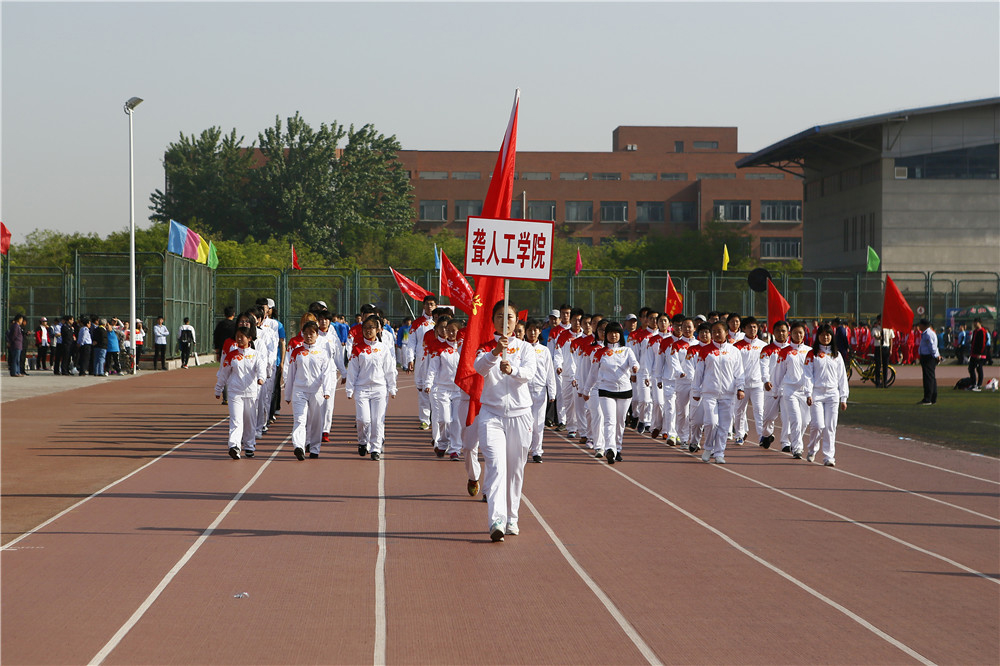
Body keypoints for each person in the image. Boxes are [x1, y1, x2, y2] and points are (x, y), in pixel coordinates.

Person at [474, 300, 537, 541]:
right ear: (493, 320)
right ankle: (496, 520)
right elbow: (479, 368)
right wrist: (494, 353)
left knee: (515, 469)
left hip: (520, 414)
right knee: (496, 466)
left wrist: (513, 371)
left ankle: (512, 517)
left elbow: (529, 373)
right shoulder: (485, 347)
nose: (504, 321)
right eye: (499, 316)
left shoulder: (525, 348)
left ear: (516, 321)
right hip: (492, 414)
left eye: (509, 316)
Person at [691, 321, 746, 464]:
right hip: (710, 393)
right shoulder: (705, 351)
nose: (716, 334)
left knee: (724, 426)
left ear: (726, 332)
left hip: (728, 394)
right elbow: (699, 372)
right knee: (711, 423)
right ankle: (708, 448)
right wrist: (696, 391)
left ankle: (719, 453)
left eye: (719, 331)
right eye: (713, 331)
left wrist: (740, 388)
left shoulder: (734, 351)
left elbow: (739, 372)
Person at [584, 320, 638, 464]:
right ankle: (610, 449)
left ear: (620, 335)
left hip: (624, 391)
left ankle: (618, 448)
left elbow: (634, 363)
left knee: (620, 422)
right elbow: (593, 374)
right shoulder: (599, 353)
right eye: (610, 333)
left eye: (616, 333)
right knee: (609, 420)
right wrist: (586, 390)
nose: (613, 335)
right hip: (606, 390)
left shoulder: (627, 351)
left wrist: (635, 368)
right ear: (605, 335)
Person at [346, 314, 398, 460]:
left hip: (379, 389)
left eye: (371, 328)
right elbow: (352, 370)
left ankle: (375, 448)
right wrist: (349, 389)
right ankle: (363, 441)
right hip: (362, 389)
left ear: (378, 330)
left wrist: (392, 387)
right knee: (363, 420)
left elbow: (389, 369)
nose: (368, 331)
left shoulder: (383, 348)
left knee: (377, 420)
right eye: (366, 328)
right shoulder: (357, 349)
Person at [214, 326, 266, 459]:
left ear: (249, 338)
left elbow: (261, 369)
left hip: (251, 393)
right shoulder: (231, 355)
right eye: (237, 336)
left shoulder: (256, 354)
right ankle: (234, 446)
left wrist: (261, 378)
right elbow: (224, 374)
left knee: (249, 421)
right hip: (235, 392)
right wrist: (218, 388)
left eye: (242, 336)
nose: (239, 339)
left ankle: (249, 446)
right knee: (236, 420)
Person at [284, 320, 332, 460]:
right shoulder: (297, 352)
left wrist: (326, 391)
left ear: (317, 334)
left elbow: (326, 373)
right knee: (300, 419)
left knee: (316, 421)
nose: (309, 336)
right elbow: (291, 374)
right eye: (305, 333)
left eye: (312, 333)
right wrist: (288, 394)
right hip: (300, 391)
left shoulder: (323, 353)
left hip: (317, 391)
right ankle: (299, 446)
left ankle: (315, 448)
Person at [806, 323, 849, 467]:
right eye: (823, 334)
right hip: (816, 393)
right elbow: (807, 375)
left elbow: (842, 377)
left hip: (832, 394)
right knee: (818, 425)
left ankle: (829, 456)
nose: (825, 337)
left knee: (830, 426)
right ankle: (812, 449)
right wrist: (808, 393)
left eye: (828, 334)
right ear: (818, 336)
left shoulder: (836, 355)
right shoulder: (812, 354)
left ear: (832, 336)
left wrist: (843, 397)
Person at [424, 318, 466, 462]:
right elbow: (433, 367)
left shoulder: (463, 348)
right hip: (442, 389)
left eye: (454, 331)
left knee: (456, 421)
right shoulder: (440, 348)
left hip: (459, 390)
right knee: (444, 419)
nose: (451, 333)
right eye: (449, 330)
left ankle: (455, 450)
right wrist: (428, 383)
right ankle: (442, 444)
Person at [773, 322, 813, 459]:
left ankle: (796, 440)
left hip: (805, 391)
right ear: (791, 334)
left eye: (801, 333)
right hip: (790, 390)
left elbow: (813, 373)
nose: (798, 335)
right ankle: (797, 448)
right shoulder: (785, 352)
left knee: (805, 421)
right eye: (795, 333)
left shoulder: (810, 351)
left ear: (804, 334)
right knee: (795, 420)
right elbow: (779, 372)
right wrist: (776, 389)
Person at [524, 319, 557, 463]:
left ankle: (537, 451)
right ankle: (524, 449)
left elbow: (550, 372)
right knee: (525, 423)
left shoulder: (544, 350)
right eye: (530, 330)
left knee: (538, 423)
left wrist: (552, 392)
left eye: (535, 330)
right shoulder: (522, 348)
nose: (532, 332)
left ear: (539, 331)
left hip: (540, 391)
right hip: (523, 390)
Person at [917, 319, 941, 404]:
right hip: (928, 357)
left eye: (920, 324)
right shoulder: (927, 333)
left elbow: (932, 347)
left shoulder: (928, 334)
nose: (919, 326)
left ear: (923, 325)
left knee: (928, 379)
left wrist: (935, 356)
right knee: (931, 378)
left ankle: (928, 398)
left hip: (928, 357)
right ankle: (932, 397)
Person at [871, 315, 894, 388]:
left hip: (886, 348)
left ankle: (885, 382)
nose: (880, 322)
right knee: (877, 366)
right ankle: (877, 383)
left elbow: (891, 339)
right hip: (878, 348)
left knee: (885, 366)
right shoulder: (875, 329)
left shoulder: (888, 329)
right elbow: (875, 336)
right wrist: (878, 337)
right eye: (879, 320)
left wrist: (891, 349)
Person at [968, 319, 988, 391]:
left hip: (980, 354)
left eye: (976, 323)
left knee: (979, 368)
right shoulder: (975, 331)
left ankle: (979, 385)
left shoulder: (982, 331)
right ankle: (973, 383)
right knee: (971, 368)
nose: (974, 324)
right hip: (974, 354)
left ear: (979, 323)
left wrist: (980, 353)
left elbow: (983, 343)